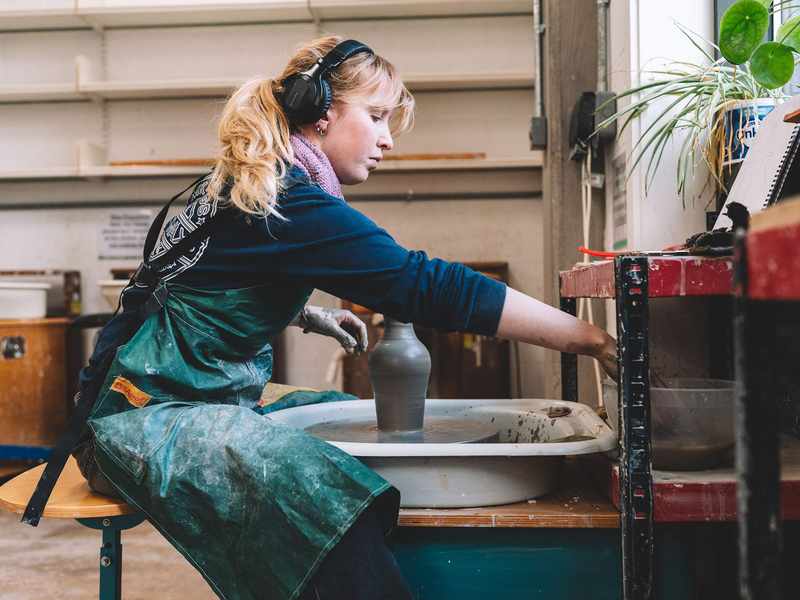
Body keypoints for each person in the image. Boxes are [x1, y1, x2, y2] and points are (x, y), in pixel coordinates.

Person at [73, 36, 618, 600]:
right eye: (376, 116)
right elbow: (426, 285)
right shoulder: (285, 201)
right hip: (128, 426)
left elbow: (201, 284)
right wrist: (588, 338)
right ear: (321, 112)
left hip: (167, 399)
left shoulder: (251, 181)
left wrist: (307, 314)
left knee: (346, 415)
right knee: (319, 490)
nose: (387, 139)